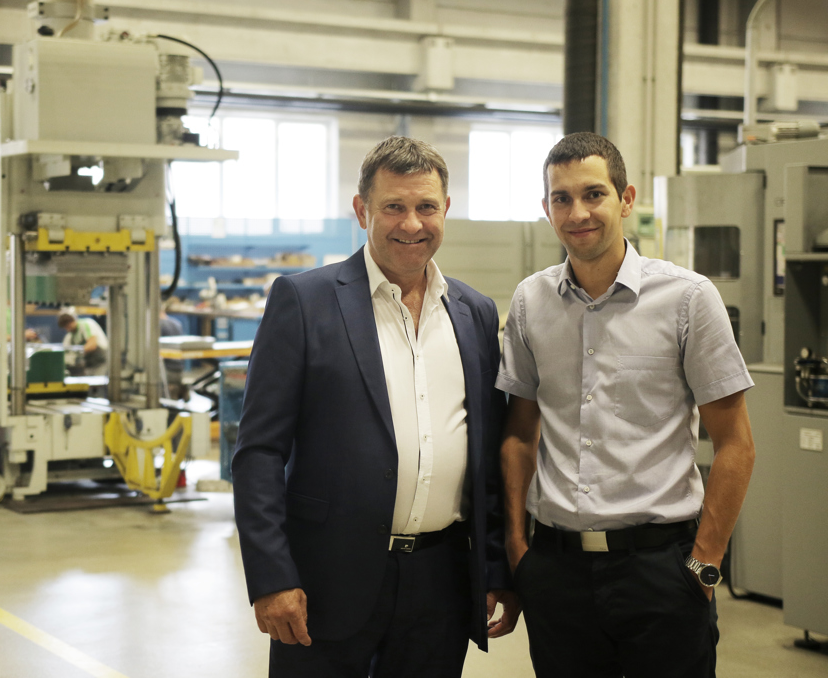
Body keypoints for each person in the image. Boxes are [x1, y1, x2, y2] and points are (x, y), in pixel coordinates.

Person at [232, 136, 519, 678]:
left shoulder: (475, 313)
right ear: (362, 210)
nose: (411, 224)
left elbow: (483, 453)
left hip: (442, 582)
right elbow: (258, 453)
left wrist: (492, 565)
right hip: (325, 580)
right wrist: (272, 576)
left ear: (445, 211)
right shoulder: (303, 301)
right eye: (394, 207)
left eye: (426, 207)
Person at [497, 132, 756, 678]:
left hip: (661, 571)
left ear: (626, 199)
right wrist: (519, 548)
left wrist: (706, 561)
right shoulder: (530, 302)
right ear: (546, 209)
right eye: (561, 199)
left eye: (594, 194)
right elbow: (520, 432)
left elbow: (736, 444)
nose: (578, 212)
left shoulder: (688, 299)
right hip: (557, 572)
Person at [57, 311, 109, 377]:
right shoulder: (71, 335)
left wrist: (76, 354)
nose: (67, 329)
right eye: (65, 327)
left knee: (98, 383)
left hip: (100, 361)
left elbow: (92, 345)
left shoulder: (86, 324)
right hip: (89, 364)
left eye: (68, 325)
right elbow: (66, 349)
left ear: (72, 321)